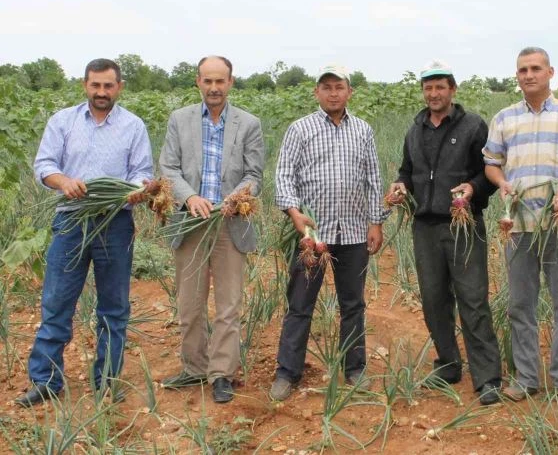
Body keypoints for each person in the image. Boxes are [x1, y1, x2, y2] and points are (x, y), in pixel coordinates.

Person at [16, 58, 154, 407]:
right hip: (71, 221)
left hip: (115, 223)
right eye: (96, 85)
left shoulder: (133, 126)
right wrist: (63, 181)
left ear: (119, 87)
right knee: (57, 302)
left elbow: (142, 172)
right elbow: (44, 165)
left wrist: (136, 190)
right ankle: (46, 381)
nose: (102, 92)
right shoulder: (62, 121)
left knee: (114, 308)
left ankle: (106, 381)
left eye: (109, 86)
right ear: (85, 85)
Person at [483, 47, 558, 404]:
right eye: (522, 69)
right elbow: (492, 162)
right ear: (517, 75)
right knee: (521, 305)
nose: (528, 75)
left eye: (536, 68)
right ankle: (525, 378)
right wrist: (501, 183)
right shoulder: (504, 118)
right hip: (518, 226)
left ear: (551, 72)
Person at [386, 60, 502, 405]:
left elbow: (489, 174)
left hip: (462, 224)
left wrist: (472, 187)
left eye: (440, 87)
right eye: (428, 88)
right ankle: (449, 364)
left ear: (453, 89)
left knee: (473, 300)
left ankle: (487, 377)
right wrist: (400, 186)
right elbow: (407, 170)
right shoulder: (415, 129)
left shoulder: (472, 126)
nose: (433, 94)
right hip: (425, 227)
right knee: (434, 300)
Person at [270, 64, 386, 401]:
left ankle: (355, 368)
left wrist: (375, 222)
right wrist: (294, 213)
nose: (333, 93)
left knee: (353, 304)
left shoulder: (363, 130)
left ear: (349, 92)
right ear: (316, 93)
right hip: (312, 235)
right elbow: (283, 176)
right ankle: (287, 373)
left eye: (339, 87)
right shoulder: (300, 129)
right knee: (300, 304)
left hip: (352, 232)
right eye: (326, 87)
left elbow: (373, 178)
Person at [159, 56, 265, 404]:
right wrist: (190, 198)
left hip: (228, 223)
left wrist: (235, 198)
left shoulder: (248, 123)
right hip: (190, 223)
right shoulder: (180, 120)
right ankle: (193, 368)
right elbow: (168, 169)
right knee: (189, 304)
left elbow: (255, 175)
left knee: (228, 305)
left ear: (231, 82)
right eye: (208, 81)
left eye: (221, 81)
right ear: (198, 82)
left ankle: (221, 374)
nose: (214, 88)